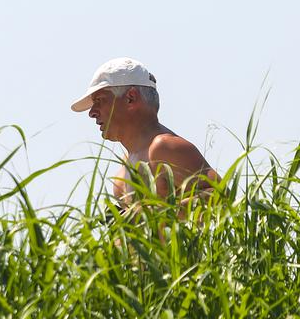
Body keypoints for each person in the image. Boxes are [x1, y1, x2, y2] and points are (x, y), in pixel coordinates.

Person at [71, 57, 219, 217]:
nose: (92, 113)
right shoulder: (122, 173)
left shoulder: (163, 148)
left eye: (99, 100)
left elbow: (222, 198)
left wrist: (147, 218)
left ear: (131, 98)